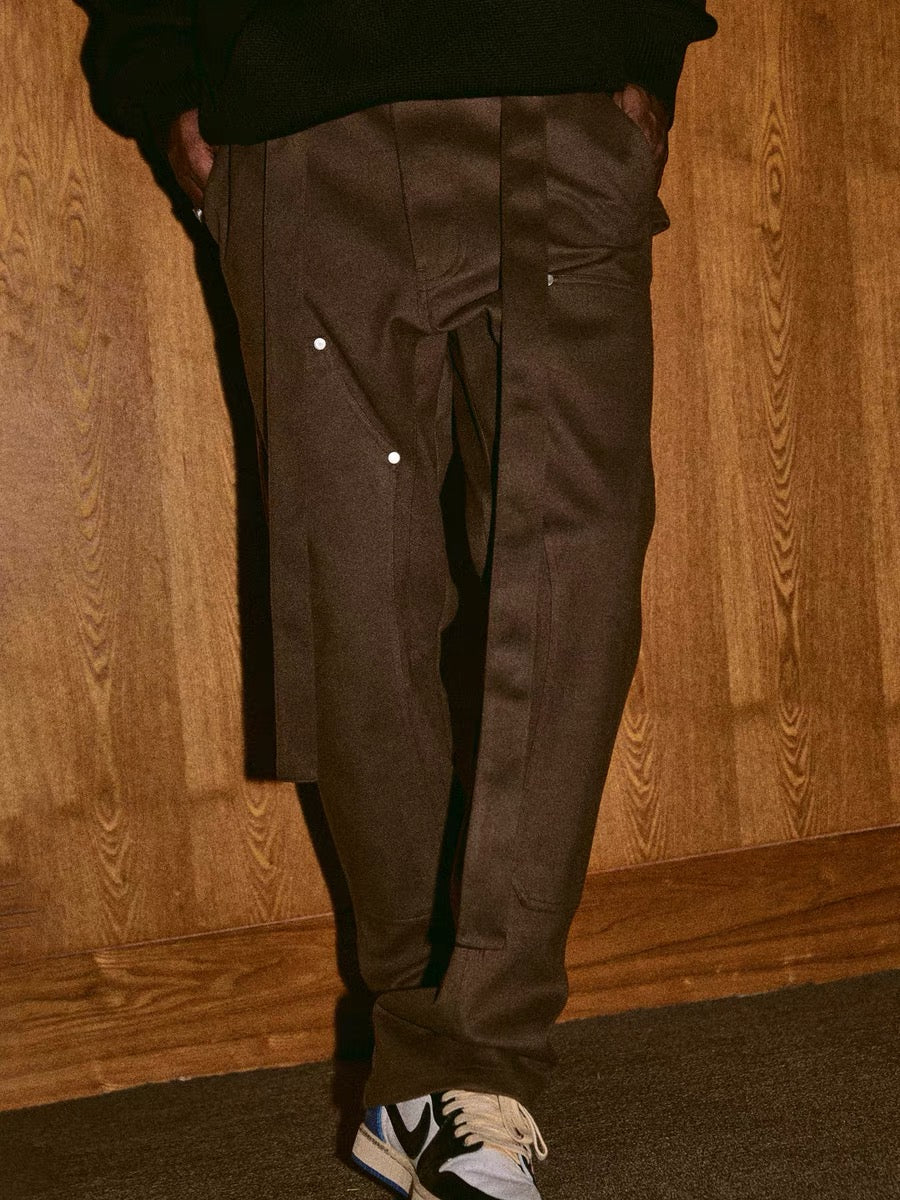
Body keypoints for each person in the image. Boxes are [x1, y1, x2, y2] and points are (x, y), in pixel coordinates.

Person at [81, 3, 719, 1197]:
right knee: (354, 596)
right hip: (295, 111)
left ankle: (462, 1058)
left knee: (574, 571)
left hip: (559, 77)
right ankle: (439, 1074)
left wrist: (644, 48)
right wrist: (164, 70)